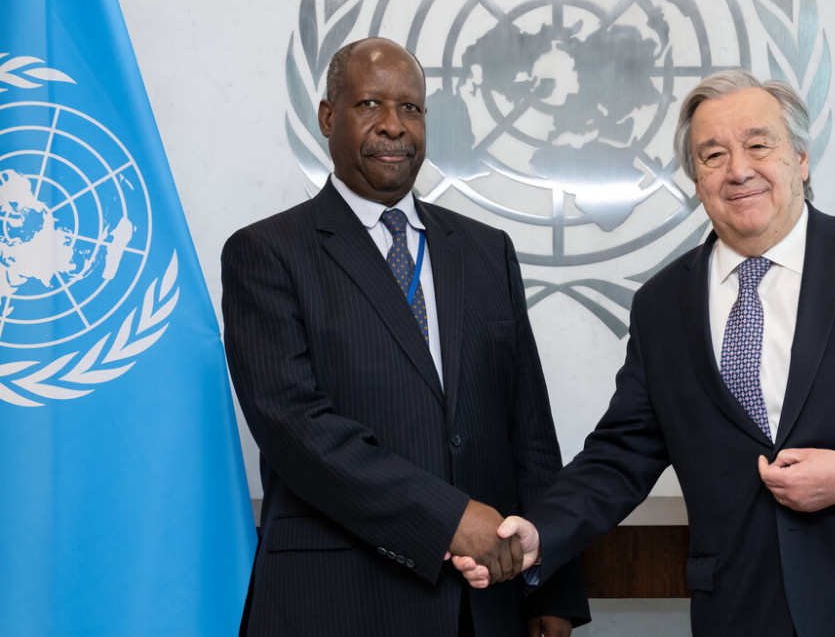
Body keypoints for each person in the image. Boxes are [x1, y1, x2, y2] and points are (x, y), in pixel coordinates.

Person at [455, 70, 835, 636]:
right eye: (713, 155)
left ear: (800, 159)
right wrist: (540, 532)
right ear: (696, 181)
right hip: (742, 612)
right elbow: (621, 455)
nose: (738, 169)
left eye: (757, 145)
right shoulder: (662, 304)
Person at [221, 37, 589, 637]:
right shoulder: (267, 254)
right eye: (369, 104)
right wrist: (448, 518)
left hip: (485, 604)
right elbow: (296, 429)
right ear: (327, 116)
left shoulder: (485, 250)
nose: (394, 126)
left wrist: (550, 585)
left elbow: (529, 428)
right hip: (339, 602)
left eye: (411, 109)